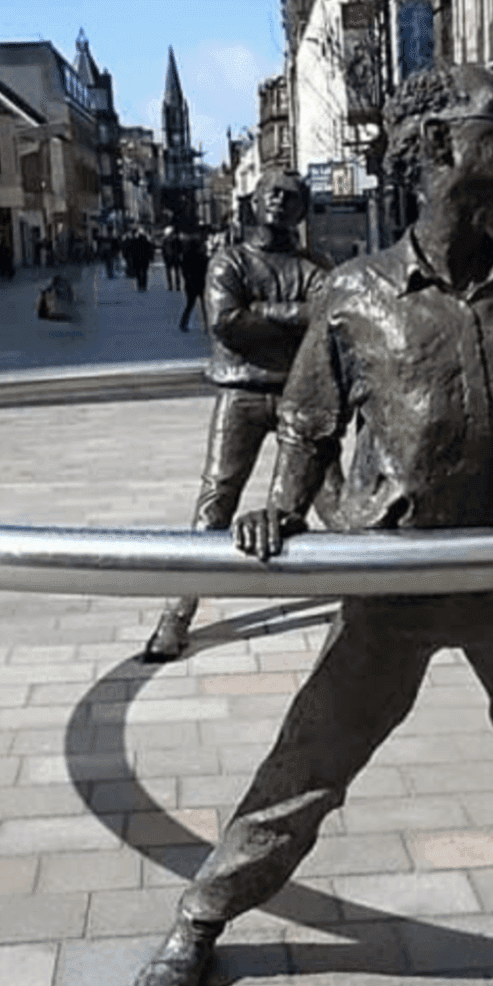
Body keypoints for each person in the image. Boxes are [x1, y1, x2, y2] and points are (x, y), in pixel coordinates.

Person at [132, 64, 493, 986]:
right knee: (310, 762)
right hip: (395, 579)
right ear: (436, 149)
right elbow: (307, 424)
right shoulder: (352, 295)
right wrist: (279, 503)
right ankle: (202, 918)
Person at [143, 169, 343, 663]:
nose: (278, 199)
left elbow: (330, 320)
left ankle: (372, 595)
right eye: (269, 192)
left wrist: (265, 312)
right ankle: (176, 615)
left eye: (290, 195)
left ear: (302, 209)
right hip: (241, 394)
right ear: (251, 202)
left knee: (334, 501)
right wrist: (297, 314)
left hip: (302, 396)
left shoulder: (318, 265)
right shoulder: (227, 260)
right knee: (216, 500)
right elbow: (229, 325)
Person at [178, 232, 209, 331]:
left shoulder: (186, 257)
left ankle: (183, 323)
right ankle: (207, 325)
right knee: (205, 306)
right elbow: (207, 270)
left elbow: (183, 271)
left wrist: (188, 279)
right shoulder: (202, 258)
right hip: (201, 283)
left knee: (189, 305)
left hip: (190, 284)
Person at [160, 227, 182, 291]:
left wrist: (164, 257)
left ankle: (170, 286)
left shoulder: (165, 240)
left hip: (168, 258)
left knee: (169, 272)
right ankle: (178, 286)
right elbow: (180, 249)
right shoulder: (177, 239)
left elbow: (163, 250)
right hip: (176, 257)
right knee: (177, 272)